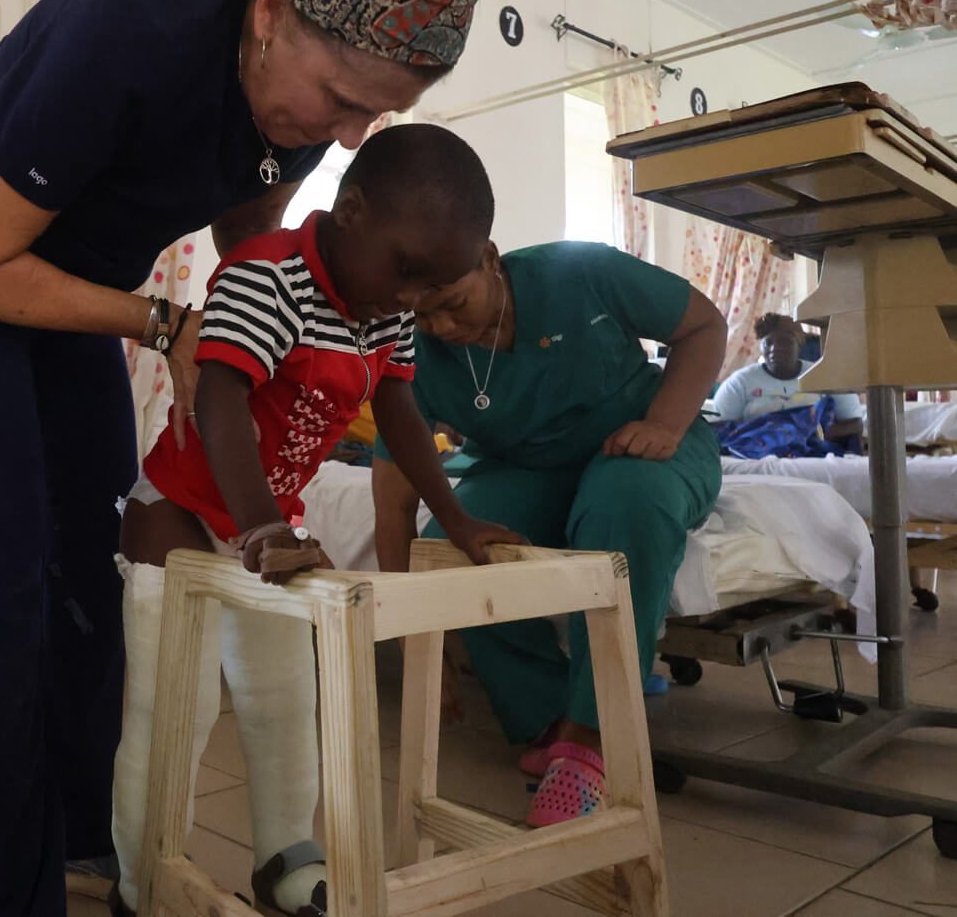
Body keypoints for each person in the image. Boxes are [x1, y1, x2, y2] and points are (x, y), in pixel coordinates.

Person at [0, 0, 505, 912]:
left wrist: (275, 351)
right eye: (340, 100)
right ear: (271, 9)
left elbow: (253, 244)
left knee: (96, 555)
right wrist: (159, 324)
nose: (352, 135)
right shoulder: (126, 37)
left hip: (66, 278)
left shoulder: (308, 113)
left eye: (379, 114)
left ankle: (83, 834)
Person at [112, 125, 522, 916]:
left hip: (267, 526)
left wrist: (455, 517)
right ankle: (144, 883)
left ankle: (284, 860)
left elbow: (400, 411)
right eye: (405, 272)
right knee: (174, 712)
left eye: (426, 288)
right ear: (351, 209)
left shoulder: (382, 305)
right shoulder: (265, 276)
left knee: (282, 700)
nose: (408, 299)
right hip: (180, 516)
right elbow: (224, 400)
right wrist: (261, 526)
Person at [371, 240, 726, 827]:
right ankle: (548, 717)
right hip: (530, 469)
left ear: (488, 258)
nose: (442, 326)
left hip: (638, 442)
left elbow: (703, 325)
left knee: (625, 500)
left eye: (453, 304)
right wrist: (411, 642)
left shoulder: (578, 273)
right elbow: (393, 508)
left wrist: (665, 423)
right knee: (450, 543)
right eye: (422, 315)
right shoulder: (415, 348)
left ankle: (594, 737)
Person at [713, 313, 864, 442]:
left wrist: (809, 435)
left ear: (799, 345)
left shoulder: (828, 377)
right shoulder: (739, 383)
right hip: (756, 456)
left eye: (785, 342)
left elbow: (855, 424)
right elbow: (720, 429)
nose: (775, 349)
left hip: (816, 456)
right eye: (768, 343)